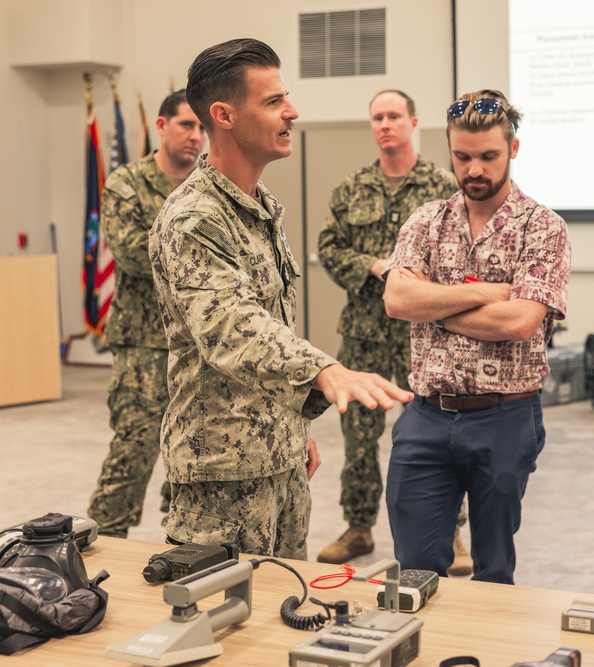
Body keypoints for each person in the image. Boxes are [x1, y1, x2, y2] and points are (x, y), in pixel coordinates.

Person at [148, 38, 412, 559]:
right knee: (221, 622)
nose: (292, 112)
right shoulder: (194, 217)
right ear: (223, 115)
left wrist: (292, 430)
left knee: (280, 618)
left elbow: (275, 327)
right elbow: (232, 326)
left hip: (276, 455)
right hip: (221, 474)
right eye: (273, 102)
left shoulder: (260, 206)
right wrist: (324, 371)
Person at [382, 89, 571, 584]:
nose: (474, 170)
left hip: (505, 417)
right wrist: (487, 294)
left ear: (513, 148)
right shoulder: (426, 220)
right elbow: (398, 301)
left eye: (488, 156)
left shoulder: (544, 227)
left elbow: (519, 323)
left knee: (492, 573)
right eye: (463, 157)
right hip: (425, 416)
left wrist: (435, 308)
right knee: (416, 571)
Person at [316, 90, 467, 569]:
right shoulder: (351, 188)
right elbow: (329, 247)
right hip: (363, 334)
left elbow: (464, 250)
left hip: (425, 337)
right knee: (358, 439)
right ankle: (358, 527)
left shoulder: (443, 187)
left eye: (394, 116)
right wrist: (370, 265)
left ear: (413, 122)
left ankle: (454, 533)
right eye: (377, 117)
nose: (385, 124)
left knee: (440, 435)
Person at [87, 90, 205, 538]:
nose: (195, 137)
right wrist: (198, 256)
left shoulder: (207, 184)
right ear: (161, 126)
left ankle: (183, 544)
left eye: (200, 128)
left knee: (193, 454)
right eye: (185, 125)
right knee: (133, 449)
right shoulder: (127, 183)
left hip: (197, 343)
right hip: (142, 343)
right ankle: (100, 545)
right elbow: (133, 254)